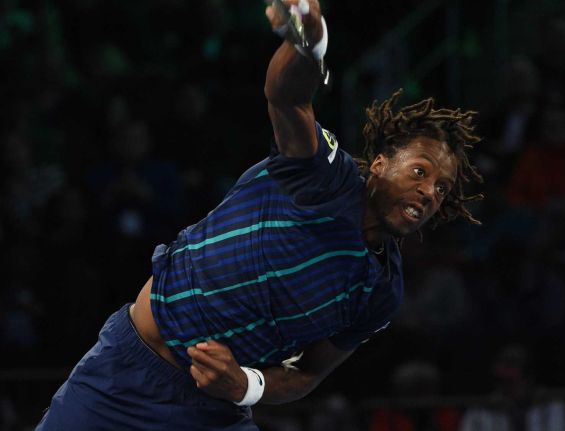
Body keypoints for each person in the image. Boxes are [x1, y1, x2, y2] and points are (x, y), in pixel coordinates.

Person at [36, 0, 483, 429]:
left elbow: (307, 376)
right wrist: (310, 45)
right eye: (420, 172)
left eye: (441, 188)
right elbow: (286, 98)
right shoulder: (324, 177)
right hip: (124, 374)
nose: (428, 192)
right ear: (381, 164)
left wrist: (243, 385)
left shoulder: (381, 289)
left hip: (213, 414)